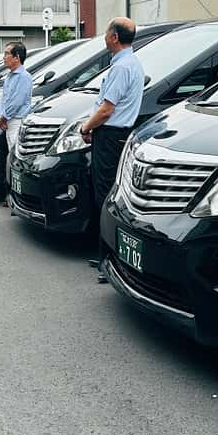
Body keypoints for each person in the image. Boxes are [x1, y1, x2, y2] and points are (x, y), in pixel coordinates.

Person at [80, 18, 142, 282]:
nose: (104, 36)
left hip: (110, 135)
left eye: (106, 32)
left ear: (115, 37)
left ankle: (109, 260)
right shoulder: (132, 63)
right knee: (109, 193)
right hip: (118, 135)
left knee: (105, 195)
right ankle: (109, 256)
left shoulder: (121, 67)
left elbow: (107, 109)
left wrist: (86, 127)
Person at [0, 42, 32, 207]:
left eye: (6, 54)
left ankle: (15, 196)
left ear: (17, 58)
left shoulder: (24, 77)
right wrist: (1, 116)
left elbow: (16, 102)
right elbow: (3, 99)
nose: (4, 57)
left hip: (16, 121)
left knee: (15, 157)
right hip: (8, 120)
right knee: (9, 157)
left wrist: (4, 117)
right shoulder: (10, 76)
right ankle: (10, 194)